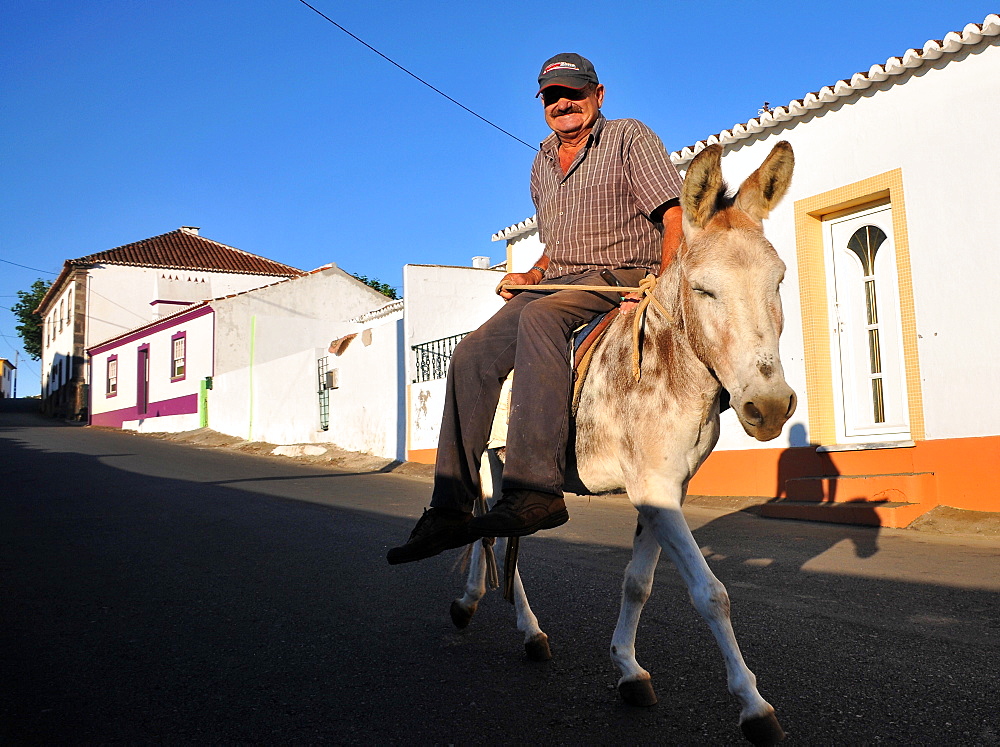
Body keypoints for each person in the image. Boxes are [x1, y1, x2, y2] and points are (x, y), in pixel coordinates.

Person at [387, 52, 684, 565]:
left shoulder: (630, 137)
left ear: (599, 95)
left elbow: (674, 214)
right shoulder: (542, 161)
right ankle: (449, 506)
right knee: (472, 355)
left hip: (621, 276)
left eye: (574, 92)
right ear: (543, 104)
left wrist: (667, 285)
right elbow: (558, 245)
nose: (563, 103)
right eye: (552, 96)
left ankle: (534, 490)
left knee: (542, 320)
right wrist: (533, 273)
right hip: (557, 281)